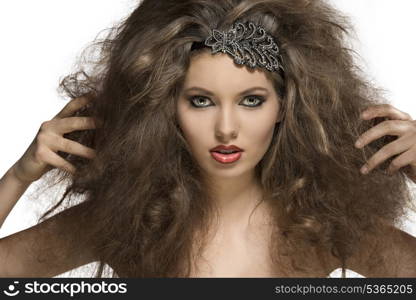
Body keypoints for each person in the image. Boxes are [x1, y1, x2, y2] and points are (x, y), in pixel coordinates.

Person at [0, 0, 416, 278]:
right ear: (165, 107)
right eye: (201, 101)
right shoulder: (122, 226)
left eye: (252, 100)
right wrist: (19, 176)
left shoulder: (325, 229)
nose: (226, 128)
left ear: (286, 107)